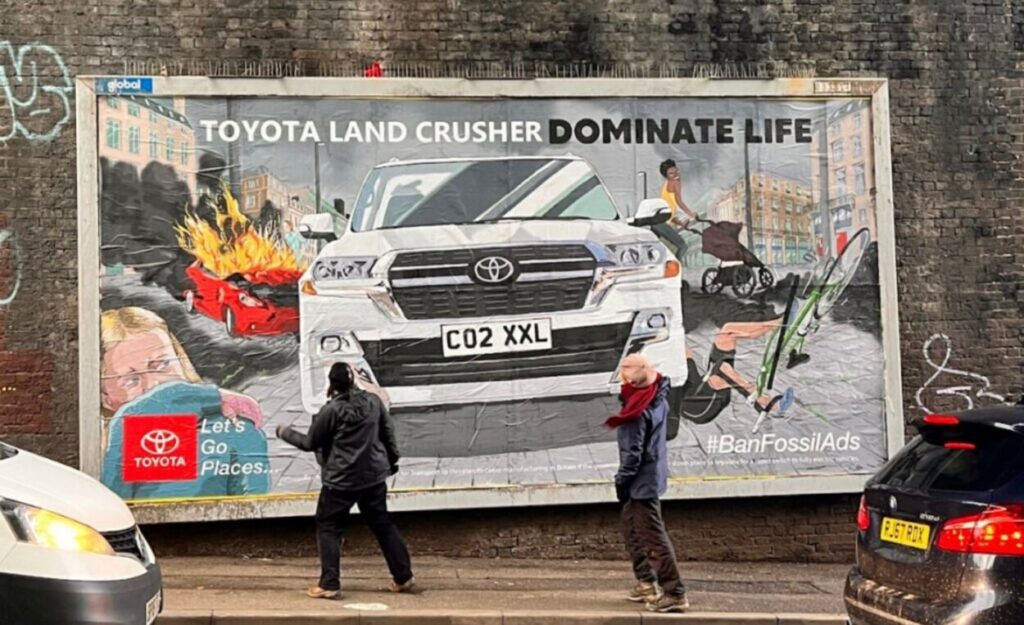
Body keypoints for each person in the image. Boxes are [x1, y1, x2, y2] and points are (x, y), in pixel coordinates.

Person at [99, 307, 270, 499]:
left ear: (180, 361)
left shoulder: (233, 429)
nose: (154, 385)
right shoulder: (98, 449)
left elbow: (254, 514)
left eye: (162, 365)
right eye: (131, 380)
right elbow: (112, 516)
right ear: (106, 398)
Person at [277, 362, 415, 600]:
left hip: (341, 481)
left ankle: (329, 583)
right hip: (373, 478)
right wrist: (391, 462)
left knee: (329, 527)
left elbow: (310, 443)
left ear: (332, 384)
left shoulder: (331, 411)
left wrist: (284, 432)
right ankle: (403, 577)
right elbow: (388, 433)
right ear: (353, 381)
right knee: (382, 524)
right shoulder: (373, 402)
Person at [608, 354, 689, 613]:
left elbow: (633, 455)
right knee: (632, 530)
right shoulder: (655, 394)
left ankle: (674, 593)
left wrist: (621, 483)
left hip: (641, 482)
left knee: (653, 537)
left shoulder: (635, 411)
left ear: (626, 378)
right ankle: (646, 582)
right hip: (649, 476)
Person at [652, 159, 699, 260]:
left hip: (657, 223)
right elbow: (679, 201)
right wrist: (691, 214)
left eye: (676, 171)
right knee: (682, 246)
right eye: (671, 173)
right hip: (661, 224)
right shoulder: (675, 182)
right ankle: (676, 270)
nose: (675, 174)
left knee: (666, 251)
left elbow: (668, 212)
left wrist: (679, 223)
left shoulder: (666, 185)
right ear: (667, 175)